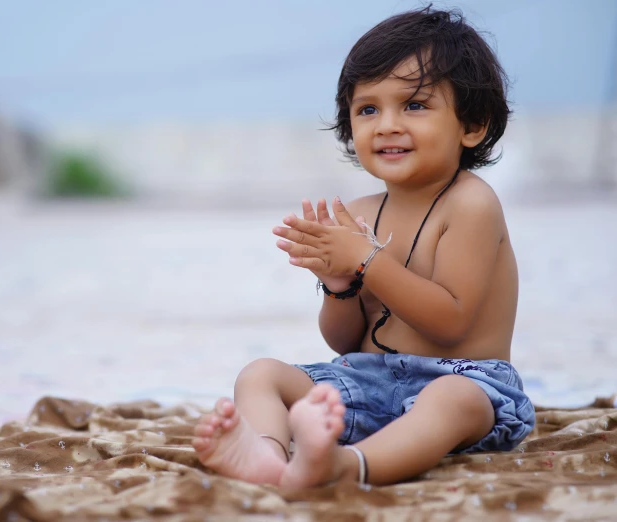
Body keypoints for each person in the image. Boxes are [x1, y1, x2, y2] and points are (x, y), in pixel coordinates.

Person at [192, 6, 535, 488]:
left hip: (465, 381)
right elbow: (344, 342)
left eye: (414, 105)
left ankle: (346, 466)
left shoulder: (471, 204)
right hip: (368, 380)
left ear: (471, 125)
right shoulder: (360, 212)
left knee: (449, 401)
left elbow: (450, 322)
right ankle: (266, 454)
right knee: (260, 373)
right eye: (368, 109)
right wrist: (340, 287)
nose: (387, 124)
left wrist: (366, 260)